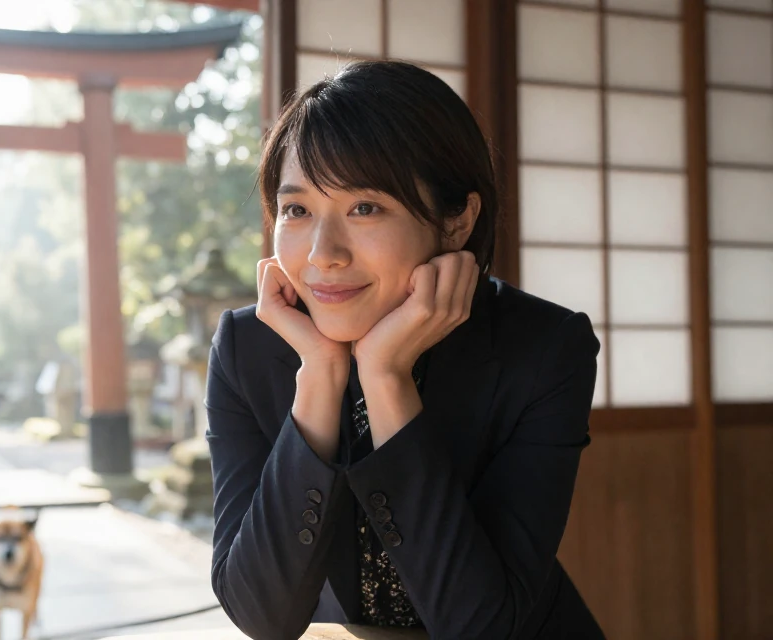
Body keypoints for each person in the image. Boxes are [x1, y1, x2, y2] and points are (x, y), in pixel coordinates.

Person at [206, 61, 604, 640]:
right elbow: (260, 615)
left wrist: (386, 377)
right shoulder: (247, 348)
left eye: (365, 207)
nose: (323, 254)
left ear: (457, 220)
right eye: (297, 210)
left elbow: (481, 625)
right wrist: (318, 376)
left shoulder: (544, 349)